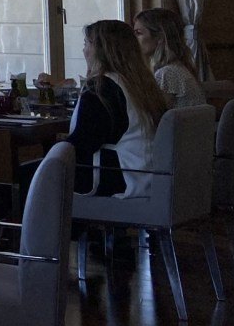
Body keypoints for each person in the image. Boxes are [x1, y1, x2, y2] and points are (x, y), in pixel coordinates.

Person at [69, 20, 167, 198]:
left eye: (86, 44)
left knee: (32, 173)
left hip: (118, 183)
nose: (84, 51)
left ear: (101, 50)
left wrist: (55, 149)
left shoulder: (103, 87)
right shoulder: (141, 84)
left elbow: (84, 143)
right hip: (147, 177)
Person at [132, 7, 207, 110]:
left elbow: (154, 116)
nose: (133, 39)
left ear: (160, 37)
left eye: (138, 33)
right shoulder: (178, 67)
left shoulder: (167, 74)